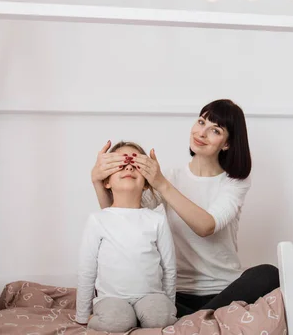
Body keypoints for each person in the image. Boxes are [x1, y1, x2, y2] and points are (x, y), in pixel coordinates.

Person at [91, 99, 280, 318]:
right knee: (117, 290)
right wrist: (97, 181)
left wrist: (161, 183)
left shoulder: (234, 182)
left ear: (226, 144)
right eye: (201, 122)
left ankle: (193, 320)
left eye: (215, 130)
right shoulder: (171, 177)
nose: (202, 133)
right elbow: (120, 217)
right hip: (174, 293)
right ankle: (203, 320)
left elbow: (206, 226)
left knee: (269, 274)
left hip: (224, 290)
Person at [77, 142, 178, 332]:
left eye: (135, 165)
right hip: (111, 299)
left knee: (160, 318)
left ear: (147, 182)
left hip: (150, 296)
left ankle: (146, 315)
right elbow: (87, 270)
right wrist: (82, 316)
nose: (129, 167)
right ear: (106, 181)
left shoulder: (157, 220)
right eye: (120, 165)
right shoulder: (97, 220)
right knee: (117, 321)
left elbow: (169, 267)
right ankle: (116, 317)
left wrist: (169, 305)